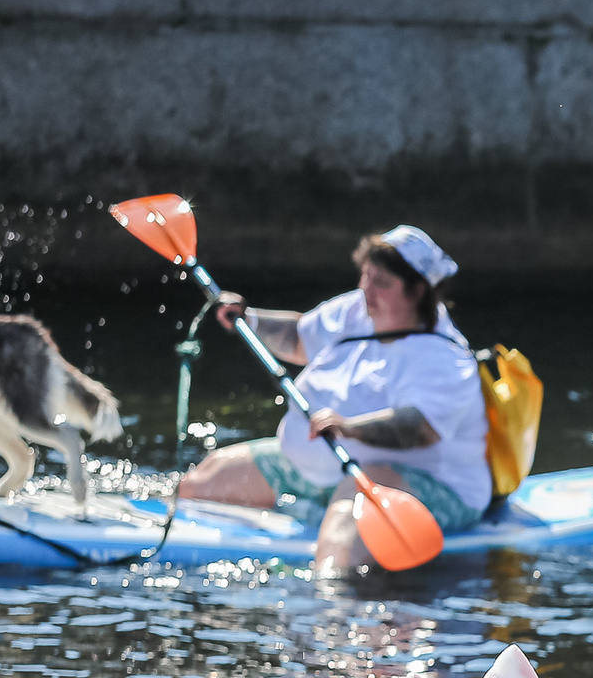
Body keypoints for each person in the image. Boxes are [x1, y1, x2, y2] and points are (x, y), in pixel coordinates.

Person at [174, 226, 489, 573]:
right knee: (204, 481)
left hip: (429, 484)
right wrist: (248, 318)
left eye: (382, 282)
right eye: (366, 276)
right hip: (328, 468)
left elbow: (419, 428)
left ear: (418, 291)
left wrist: (350, 428)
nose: (366, 289)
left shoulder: (445, 359)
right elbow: (298, 338)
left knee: (342, 537)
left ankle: (329, 598)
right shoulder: (355, 310)